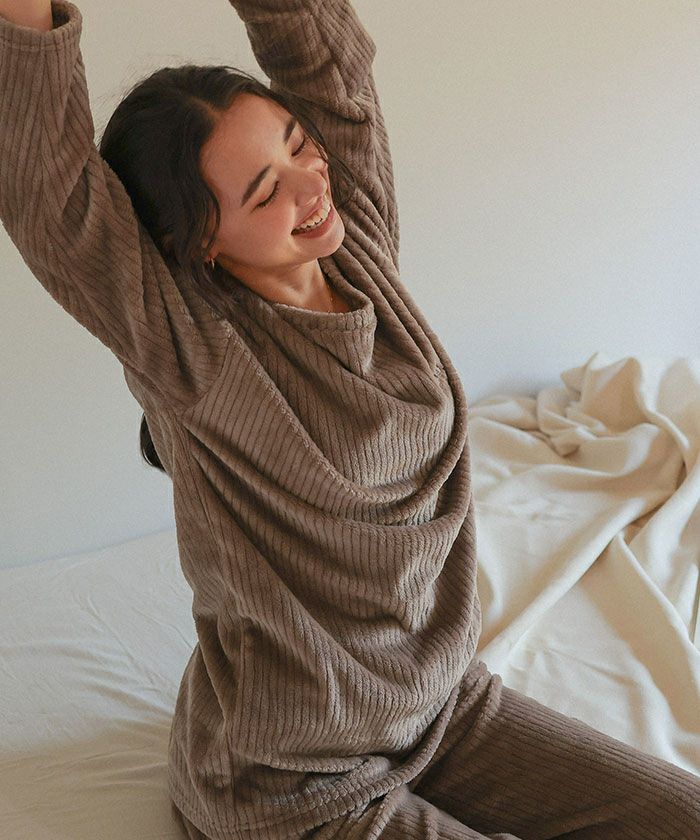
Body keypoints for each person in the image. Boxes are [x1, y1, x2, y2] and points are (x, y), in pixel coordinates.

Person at [1, 2, 698, 839]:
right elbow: (49, 194)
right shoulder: (196, 353)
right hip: (293, 780)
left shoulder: (354, 240)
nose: (309, 184)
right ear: (202, 243)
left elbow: (327, 64)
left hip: (439, 708)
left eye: (298, 144)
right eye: (265, 192)